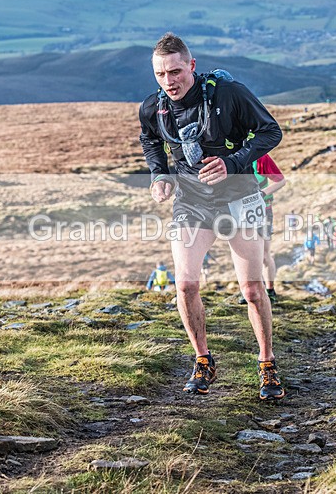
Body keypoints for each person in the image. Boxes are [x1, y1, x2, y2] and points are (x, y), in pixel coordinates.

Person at [138, 33, 284, 400]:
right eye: (160, 74)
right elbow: (150, 140)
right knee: (186, 285)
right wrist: (159, 175)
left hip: (239, 195)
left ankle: (267, 363)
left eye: (175, 72)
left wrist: (233, 162)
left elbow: (271, 131)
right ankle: (203, 359)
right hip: (191, 202)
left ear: (191, 66)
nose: (169, 81)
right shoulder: (154, 107)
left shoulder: (228, 93)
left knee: (252, 290)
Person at [239, 154, 286, 304]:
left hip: (263, 211)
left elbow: (281, 180)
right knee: (246, 254)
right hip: (240, 213)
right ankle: (250, 289)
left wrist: (262, 194)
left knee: (264, 255)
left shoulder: (260, 157)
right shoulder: (229, 155)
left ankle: (270, 291)